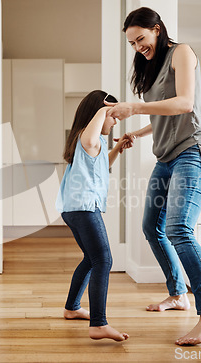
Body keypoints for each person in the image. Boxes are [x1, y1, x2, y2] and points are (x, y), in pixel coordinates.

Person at [105, 7, 201, 346]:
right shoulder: (152, 65)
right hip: (167, 157)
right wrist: (138, 134)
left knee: (178, 229)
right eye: (132, 43)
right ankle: (178, 294)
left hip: (194, 152)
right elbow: (164, 113)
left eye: (140, 39)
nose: (138, 47)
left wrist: (135, 107)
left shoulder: (181, 53)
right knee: (150, 226)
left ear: (157, 29)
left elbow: (185, 103)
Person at [56, 90, 131, 342]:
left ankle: (72, 307)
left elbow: (98, 165)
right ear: (101, 113)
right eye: (113, 116)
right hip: (84, 207)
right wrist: (104, 109)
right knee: (104, 260)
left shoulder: (91, 140)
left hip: (74, 208)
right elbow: (92, 140)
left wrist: (118, 149)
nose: (115, 121)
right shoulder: (88, 137)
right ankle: (99, 324)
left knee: (91, 258)